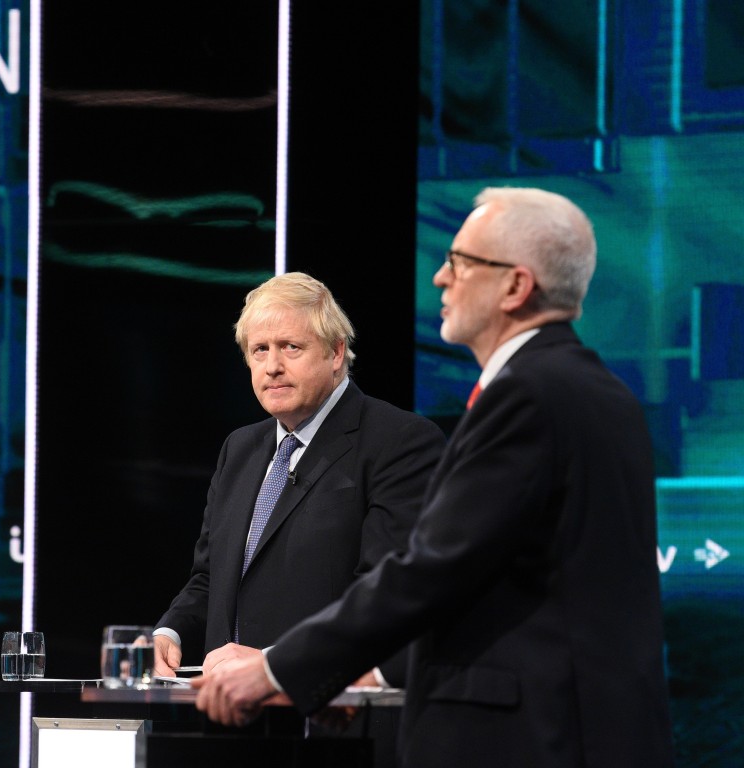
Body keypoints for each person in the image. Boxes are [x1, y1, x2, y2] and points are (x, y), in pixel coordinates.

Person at [192, 188, 676, 768]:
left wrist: (278, 669)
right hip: (596, 729)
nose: (442, 277)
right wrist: (366, 673)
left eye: (462, 262)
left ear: (516, 287)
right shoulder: (603, 393)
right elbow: (500, 577)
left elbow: (433, 569)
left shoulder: (525, 397)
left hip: (534, 736)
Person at [153, 271, 445, 692]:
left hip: (333, 715)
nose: (272, 366)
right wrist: (171, 633)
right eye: (260, 350)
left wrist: (275, 664)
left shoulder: (400, 442)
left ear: (336, 353)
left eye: (291, 347)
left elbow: (386, 595)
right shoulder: (240, 449)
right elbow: (209, 578)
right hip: (231, 718)